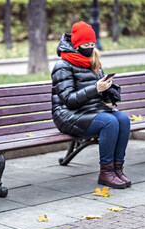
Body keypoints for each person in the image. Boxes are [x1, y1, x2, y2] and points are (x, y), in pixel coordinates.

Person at [51, 21, 131, 189]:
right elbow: (68, 99)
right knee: (109, 122)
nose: (90, 47)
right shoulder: (62, 66)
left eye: (92, 44)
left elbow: (96, 95)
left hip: (91, 111)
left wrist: (108, 90)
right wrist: (95, 89)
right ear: (76, 45)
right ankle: (106, 172)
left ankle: (117, 169)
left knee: (123, 118)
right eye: (86, 44)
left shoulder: (93, 61)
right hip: (68, 115)